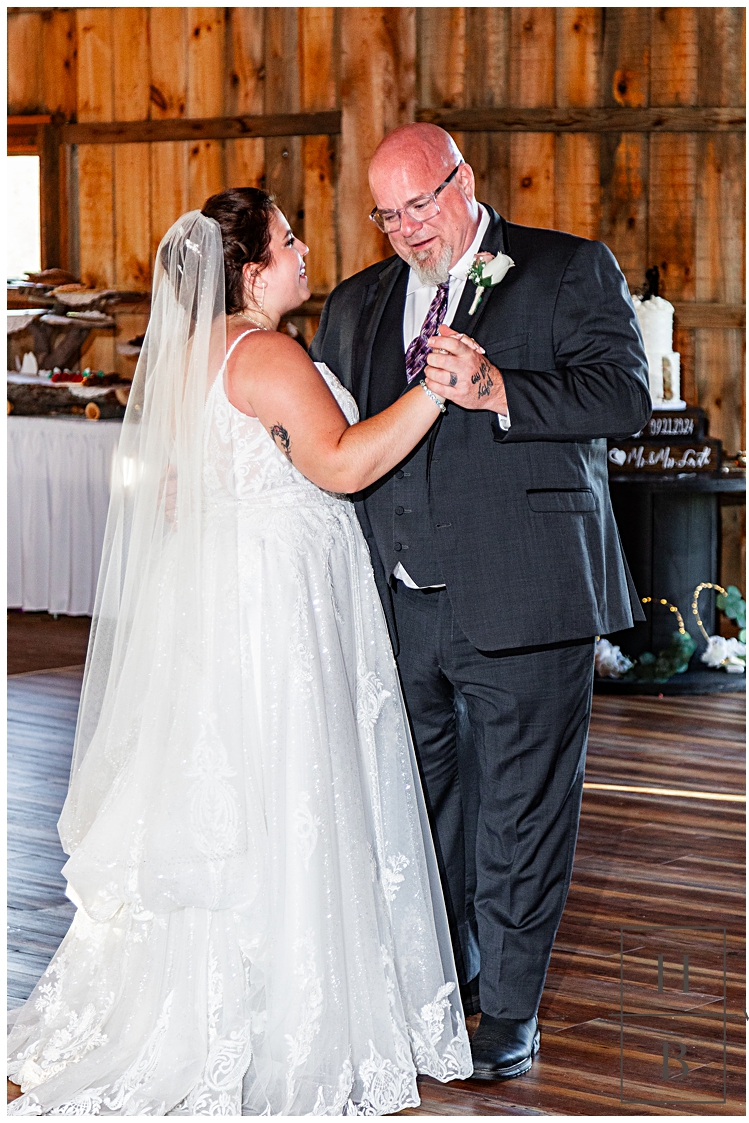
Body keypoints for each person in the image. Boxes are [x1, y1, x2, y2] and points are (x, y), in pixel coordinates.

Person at [7, 189, 473, 1114]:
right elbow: (339, 462)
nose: (305, 251)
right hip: (275, 611)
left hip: (228, 602)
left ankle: (232, 998)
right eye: (289, 240)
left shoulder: (189, 357)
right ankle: (281, 1017)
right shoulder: (263, 352)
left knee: (243, 798)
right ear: (252, 270)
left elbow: (181, 494)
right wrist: (436, 388)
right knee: (289, 790)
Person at [309, 123, 652, 1081]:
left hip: (527, 592)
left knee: (521, 812)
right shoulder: (358, 303)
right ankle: (437, 979)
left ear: (465, 181)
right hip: (397, 600)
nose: (410, 229)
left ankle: (504, 1009)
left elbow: (624, 397)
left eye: (424, 203)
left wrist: (502, 386)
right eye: (388, 215)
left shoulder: (565, 268)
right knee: (414, 807)